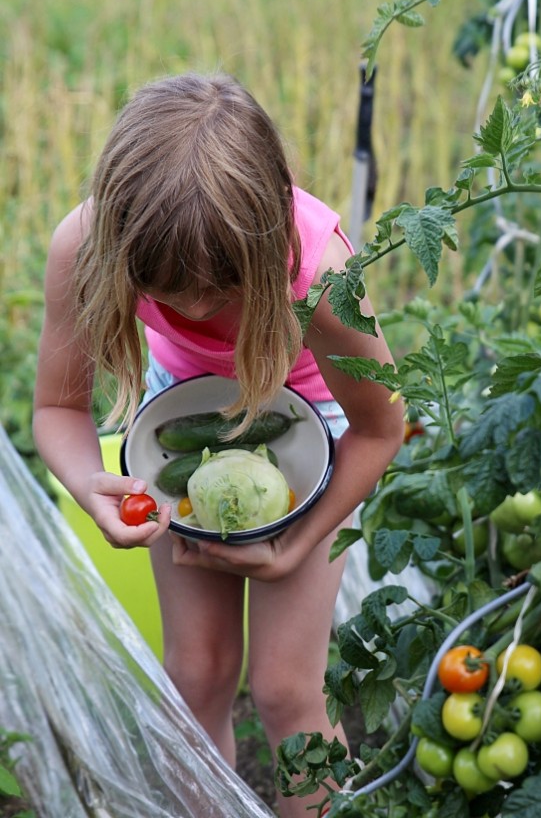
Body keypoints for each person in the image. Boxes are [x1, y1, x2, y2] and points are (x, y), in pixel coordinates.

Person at [32, 71, 404, 818]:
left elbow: (382, 424)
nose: (195, 308)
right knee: (195, 677)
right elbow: (56, 406)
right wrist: (88, 483)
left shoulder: (321, 279)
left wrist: (299, 546)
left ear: (264, 242)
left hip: (318, 423)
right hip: (186, 411)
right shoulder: (85, 245)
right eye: (166, 292)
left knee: (285, 689)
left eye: (220, 290)